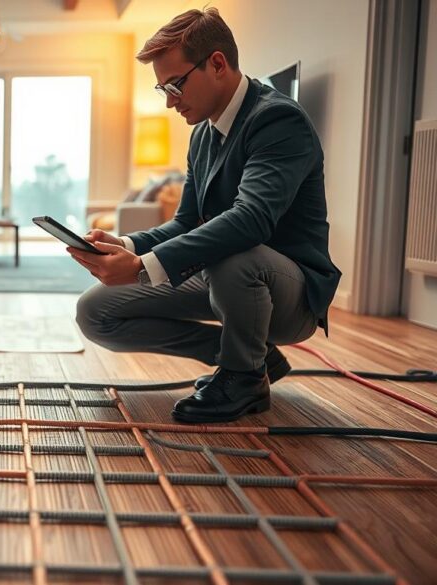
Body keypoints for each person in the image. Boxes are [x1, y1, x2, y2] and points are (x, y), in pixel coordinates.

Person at [71, 8, 340, 423]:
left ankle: (242, 378)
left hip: (290, 295)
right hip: (228, 279)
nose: (170, 102)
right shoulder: (201, 135)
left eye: (175, 85)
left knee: (235, 251)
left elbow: (251, 220)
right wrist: (124, 246)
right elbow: (184, 222)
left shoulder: (277, 119)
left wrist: (143, 267)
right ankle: (252, 358)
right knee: (96, 312)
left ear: (217, 63)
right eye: (163, 90)